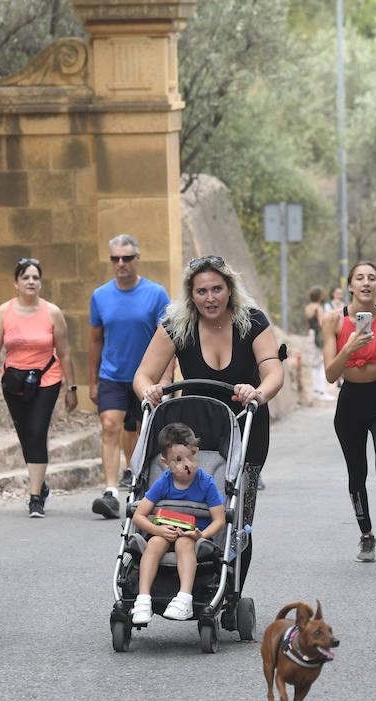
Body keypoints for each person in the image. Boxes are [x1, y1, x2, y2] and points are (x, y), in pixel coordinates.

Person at [133, 256, 285, 566]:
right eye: (202, 291)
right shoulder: (177, 326)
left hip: (247, 427)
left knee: (238, 516)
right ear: (191, 294)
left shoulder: (253, 322)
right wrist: (148, 392)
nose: (210, 298)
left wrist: (258, 392)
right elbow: (142, 376)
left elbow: (273, 371)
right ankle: (193, 578)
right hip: (196, 433)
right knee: (191, 507)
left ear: (230, 289)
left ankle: (231, 594)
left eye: (217, 289)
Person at [322, 261, 376, 568]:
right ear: (350, 286)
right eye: (360, 278)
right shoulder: (333, 320)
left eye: (372, 278)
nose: (366, 283)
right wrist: (350, 347)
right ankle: (367, 534)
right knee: (357, 474)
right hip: (350, 403)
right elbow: (331, 375)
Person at [0, 258, 78, 517]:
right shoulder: (4, 312)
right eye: (25, 277)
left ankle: (35, 497)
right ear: (16, 282)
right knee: (26, 436)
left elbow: (65, 353)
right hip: (13, 381)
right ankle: (41, 483)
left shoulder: (52, 312)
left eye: (36, 277)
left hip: (47, 380)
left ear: (41, 282)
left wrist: (72, 388)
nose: (31, 282)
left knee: (37, 432)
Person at [89, 234, 171, 519]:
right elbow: (95, 340)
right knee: (110, 425)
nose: (120, 263)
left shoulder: (156, 294)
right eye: (115, 258)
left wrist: (166, 380)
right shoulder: (100, 296)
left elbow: (170, 339)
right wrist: (94, 380)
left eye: (126, 258)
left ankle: (138, 486)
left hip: (147, 377)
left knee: (142, 431)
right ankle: (111, 492)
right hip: (112, 375)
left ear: (137, 259)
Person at [129, 422, 226, 623]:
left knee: (184, 543)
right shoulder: (163, 482)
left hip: (192, 536)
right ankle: (143, 599)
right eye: (179, 460)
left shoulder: (205, 483)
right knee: (154, 543)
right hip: (163, 531)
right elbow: (139, 516)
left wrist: (201, 535)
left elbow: (220, 520)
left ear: (197, 452)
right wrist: (158, 530)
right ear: (166, 463)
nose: (187, 464)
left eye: (192, 456)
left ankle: (184, 598)